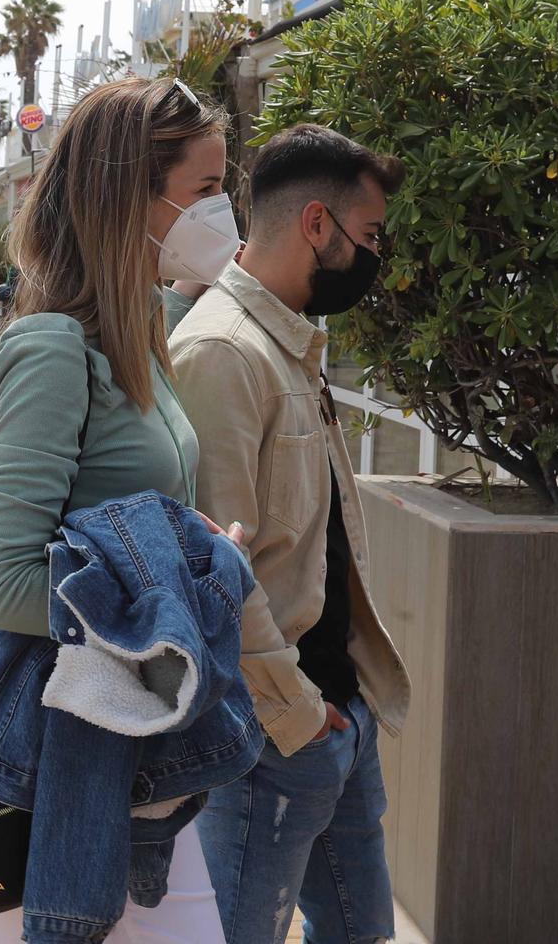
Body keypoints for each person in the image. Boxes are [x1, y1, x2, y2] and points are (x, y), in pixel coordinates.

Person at [0, 76, 240, 942]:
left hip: (140, 746)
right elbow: (2, 583)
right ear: (133, 196)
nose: (222, 214)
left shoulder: (143, 334)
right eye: (203, 191)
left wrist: (188, 556)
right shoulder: (52, 345)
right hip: (59, 758)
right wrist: (170, 592)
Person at [171, 123, 413, 944]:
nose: (377, 257)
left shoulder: (287, 346)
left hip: (334, 714)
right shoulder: (221, 353)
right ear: (317, 223)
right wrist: (297, 716)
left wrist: (334, 709)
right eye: (370, 234)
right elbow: (215, 574)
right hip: (271, 739)